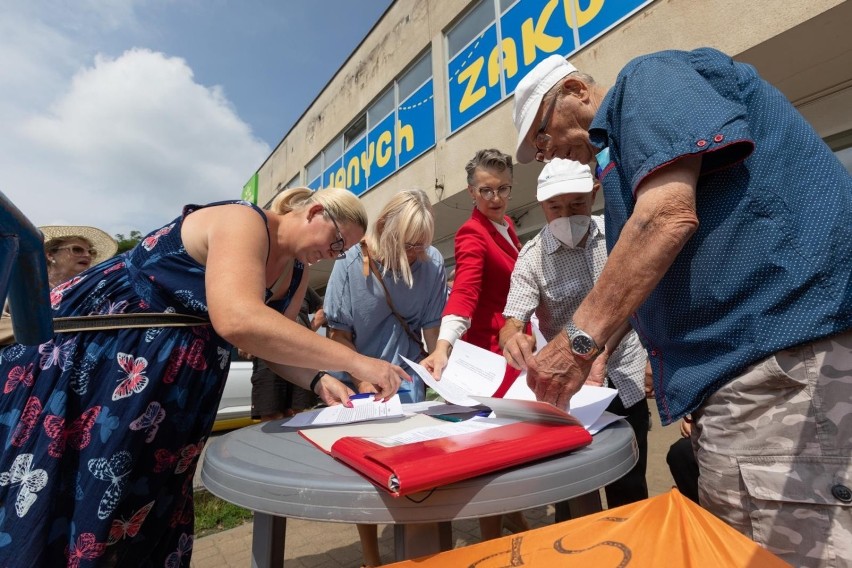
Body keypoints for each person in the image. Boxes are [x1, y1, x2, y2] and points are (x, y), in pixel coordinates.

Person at [512, 49, 852, 566]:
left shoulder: (645, 81)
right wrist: (609, 345)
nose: (547, 152)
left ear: (578, 92)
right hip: (755, 374)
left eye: (542, 134)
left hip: (776, 363)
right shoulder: (623, 156)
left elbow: (667, 218)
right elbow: (659, 264)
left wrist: (578, 343)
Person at [0, 188, 407, 566]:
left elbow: (272, 342)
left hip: (172, 393)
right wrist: (358, 362)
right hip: (107, 364)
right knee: (82, 488)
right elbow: (238, 319)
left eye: (343, 252)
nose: (333, 254)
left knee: (140, 503)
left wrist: (318, 378)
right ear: (315, 212)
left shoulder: (296, 272)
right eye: (337, 242)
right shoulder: (242, 221)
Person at [500, 158, 649, 508]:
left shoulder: (618, 236)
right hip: (568, 393)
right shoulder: (532, 258)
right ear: (542, 205)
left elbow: (637, 300)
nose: (566, 215)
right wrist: (513, 339)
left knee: (630, 485)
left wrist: (609, 354)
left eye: (577, 204)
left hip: (625, 379)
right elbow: (511, 321)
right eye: (555, 207)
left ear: (594, 193)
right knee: (571, 493)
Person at [324, 189, 446, 567]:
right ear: (383, 230)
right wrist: (361, 374)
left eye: (424, 245)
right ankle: (372, 557)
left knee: (416, 478)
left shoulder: (433, 261)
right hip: (361, 389)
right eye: (411, 245)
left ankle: (416, 553)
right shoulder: (348, 261)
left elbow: (430, 333)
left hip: (409, 389)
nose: (419, 255)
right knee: (367, 479)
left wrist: (439, 359)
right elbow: (339, 335)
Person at [420, 148, 529, 540]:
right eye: (486, 190)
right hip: (492, 363)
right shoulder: (472, 233)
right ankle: (492, 542)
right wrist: (444, 345)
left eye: (504, 189)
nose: (496, 198)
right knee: (494, 457)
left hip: (518, 357)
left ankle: (516, 522)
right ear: (471, 193)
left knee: (513, 453)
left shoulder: (509, 227)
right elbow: (464, 292)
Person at [1, 225, 118, 345]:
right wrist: (58, 329)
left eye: (91, 252)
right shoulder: (24, 285)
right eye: (77, 250)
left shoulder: (92, 291)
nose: (87, 255)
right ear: (50, 255)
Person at [249, 286, 324, 421]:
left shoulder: (303, 285)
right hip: (267, 358)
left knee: (299, 413)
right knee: (271, 413)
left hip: (301, 359)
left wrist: (309, 330)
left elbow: (323, 308)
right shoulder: (259, 282)